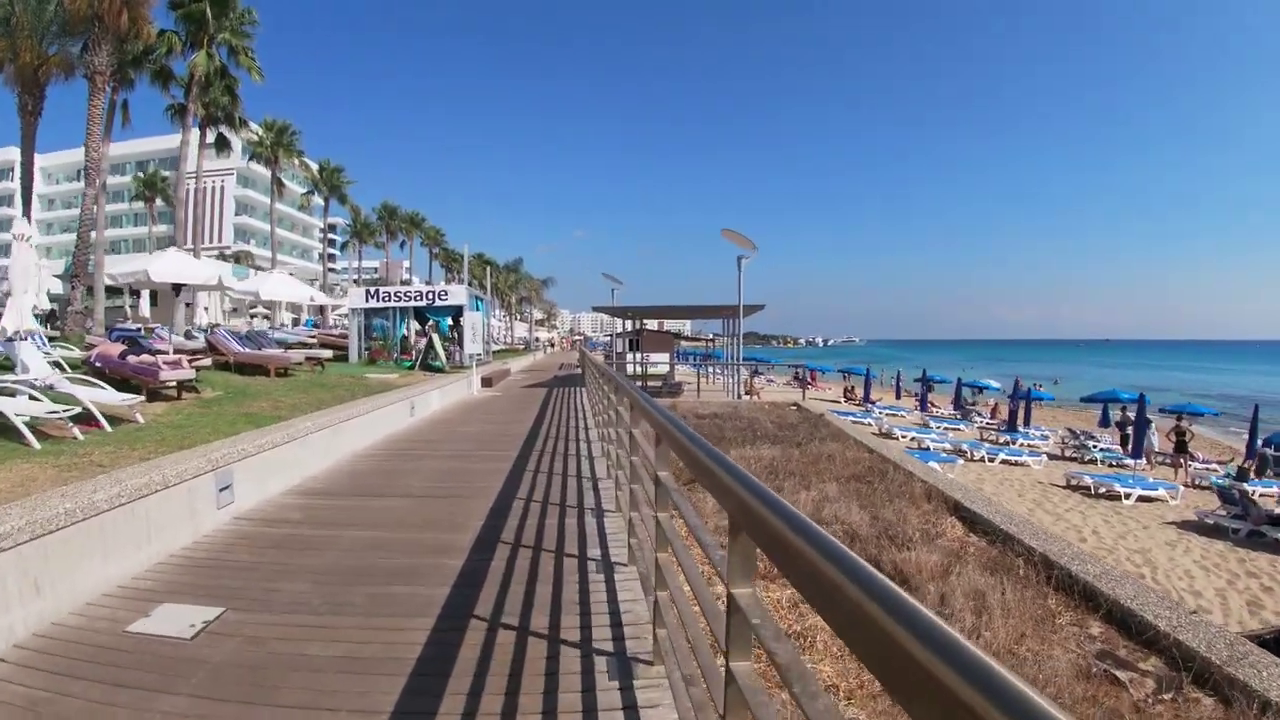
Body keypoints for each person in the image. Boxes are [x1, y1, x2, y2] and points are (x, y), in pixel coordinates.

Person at [1166, 414, 1195, 483]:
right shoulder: (1184, 427)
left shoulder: (1175, 428)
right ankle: (1186, 478)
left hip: (1178, 443)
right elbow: (1193, 434)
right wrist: (1188, 441)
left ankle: (1176, 478)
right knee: (1185, 463)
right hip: (1183, 443)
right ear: (1182, 420)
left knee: (1178, 463)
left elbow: (1167, 435)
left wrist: (1172, 441)